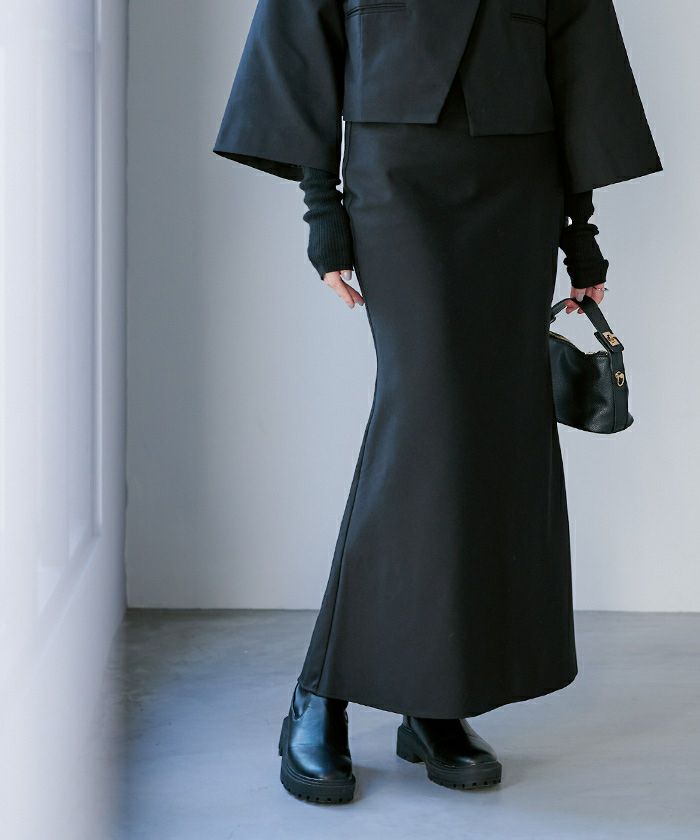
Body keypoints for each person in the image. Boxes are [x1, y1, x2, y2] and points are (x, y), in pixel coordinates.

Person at [213, 0, 662, 803]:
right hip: (398, 178)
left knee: (483, 441)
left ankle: (433, 700)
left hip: (518, 185)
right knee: (422, 433)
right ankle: (319, 690)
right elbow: (304, 34)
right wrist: (322, 211)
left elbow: (579, 58)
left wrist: (580, 233)